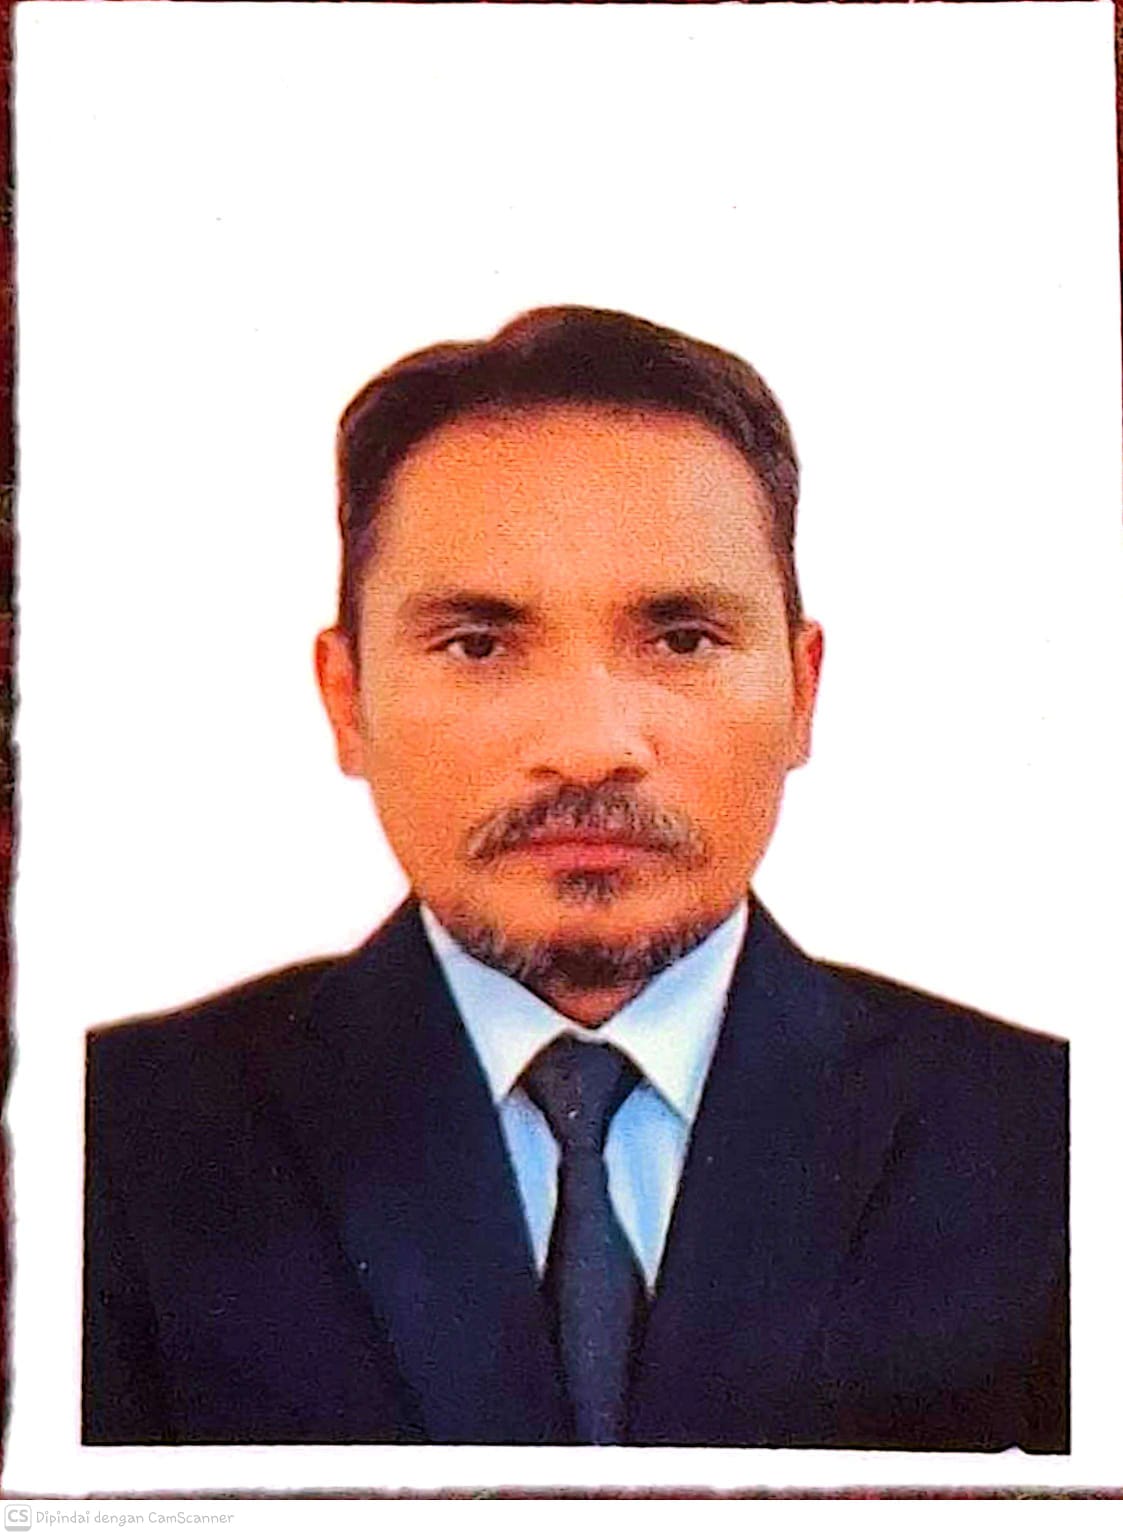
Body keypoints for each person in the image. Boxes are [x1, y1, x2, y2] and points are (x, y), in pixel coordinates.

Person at [83, 307, 1067, 1451]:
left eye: (682, 639)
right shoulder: (103, 1144)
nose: (591, 745)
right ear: (346, 699)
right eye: (479, 644)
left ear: (802, 692)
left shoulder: (1052, 1144)